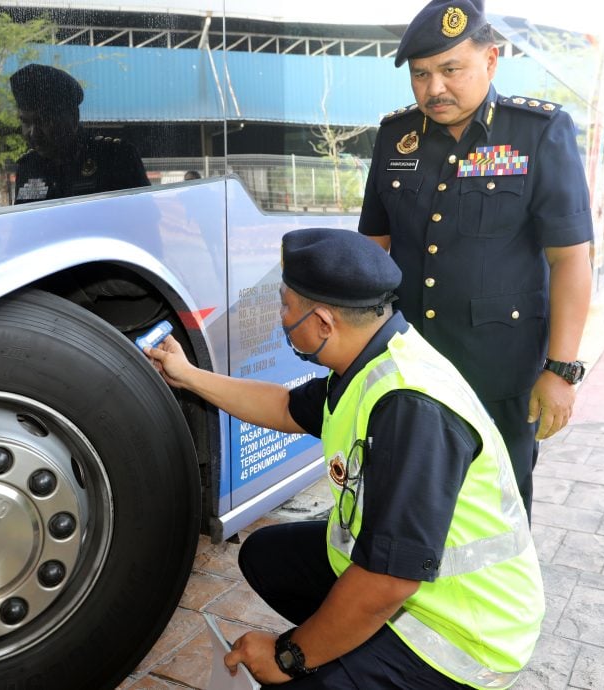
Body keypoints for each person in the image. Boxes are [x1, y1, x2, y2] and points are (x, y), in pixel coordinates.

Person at [144, 228, 543, 689]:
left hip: (461, 635)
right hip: (414, 583)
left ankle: (358, 653)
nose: (281, 317)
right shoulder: (370, 358)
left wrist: (290, 655)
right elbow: (283, 407)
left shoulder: (409, 408)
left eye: (285, 306)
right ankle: (353, 642)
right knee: (265, 556)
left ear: (323, 322)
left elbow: (387, 581)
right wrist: (189, 375)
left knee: (294, 676)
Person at [357, 0, 593, 517]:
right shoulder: (397, 136)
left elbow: (572, 259)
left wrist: (560, 370)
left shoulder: (537, 132)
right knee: (404, 503)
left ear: (491, 60)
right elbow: (372, 249)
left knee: (497, 511)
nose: (433, 88)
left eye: (449, 69)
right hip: (411, 367)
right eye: (420, 74)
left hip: (501, 372)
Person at [9, 64, 150, 204]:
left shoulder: (115, 157)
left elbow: (144, 217)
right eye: (26, 122)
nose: (33, 133)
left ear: (74, 117)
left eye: (44, 121)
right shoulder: (28, 167)